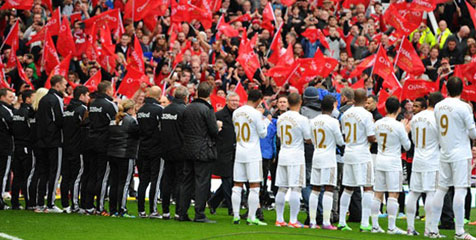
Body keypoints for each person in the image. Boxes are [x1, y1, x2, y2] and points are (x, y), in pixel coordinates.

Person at [431, 77, 476, 239]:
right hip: (460, 153)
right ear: (462, 89)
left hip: (444, 152)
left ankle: (432, 229)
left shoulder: (438, 106)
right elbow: (473, 133)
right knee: (460, 189)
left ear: (447, 90)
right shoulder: (464, 107)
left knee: (441, 189)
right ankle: (459, 231)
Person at [179, 82, 220, 223]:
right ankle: (199, 213)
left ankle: (182, 212)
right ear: (209, 94)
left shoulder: (188, 108)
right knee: (202, 182)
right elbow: (213, 131)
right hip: (203, 149)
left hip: (188, 148)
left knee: (187, 181)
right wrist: (218, 127)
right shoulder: (207, 109)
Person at [371, 97, 411, 234]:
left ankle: (375, 226)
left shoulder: (377, 123)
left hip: (380, 159)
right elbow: (407, 146)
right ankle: (391, 226)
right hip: (393, 162)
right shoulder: (399, 126)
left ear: (386, 108)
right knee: (393, 193)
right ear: (399, 109)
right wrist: (406, 131)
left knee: (378, 193)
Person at [406, 92, 444, 236]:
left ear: (428, 103)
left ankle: (410, 228)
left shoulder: (416, 117)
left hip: (418, 158)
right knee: (430, 193)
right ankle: (429, 229)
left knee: (414, 192)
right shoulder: (437, 118)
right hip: (432, 159)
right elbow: (442, 139)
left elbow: (414, 140)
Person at [338, 88, 376, 232]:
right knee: (367, 187)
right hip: (362, 153)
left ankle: (342, 221)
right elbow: (371, 136)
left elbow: (343, 133)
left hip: (348, 152)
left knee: (348, 188)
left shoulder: (345, 114)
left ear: (353, 99)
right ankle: (365, 223)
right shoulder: (367, 115)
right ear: (366, 100)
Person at [274, 93, 312, 228]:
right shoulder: (302, 119)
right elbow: (308, 138)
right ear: (300, 102)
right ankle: (293, 220)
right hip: (296, 155)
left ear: (288, 103)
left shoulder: (280, 118)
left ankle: (279, 219)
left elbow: (279, 135)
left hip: (283, 154)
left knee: (282, 188)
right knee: (296, 188)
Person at [231, 89, 268, 225]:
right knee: (254, 185)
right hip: (252, 153)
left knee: (237, 184)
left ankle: (236, 216)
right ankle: (251, 217)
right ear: (259, 100)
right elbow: (263, 133)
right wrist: (265, 121)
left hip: (239, 151)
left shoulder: (236, 112)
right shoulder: (256, 114)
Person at [309, 95, 345, 229]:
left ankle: (312, 221)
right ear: (333, 107)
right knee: (329, 189)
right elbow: (340, 141)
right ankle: (326, 222)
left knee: (315, 189)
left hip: (317, 155)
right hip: (329, 158)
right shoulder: (333, 122)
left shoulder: (313, 121)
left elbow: (311, 139)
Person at [84, 81, 118, 215]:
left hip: (91, 141)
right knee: (102, 176)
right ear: (108, 90)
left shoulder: (92, 104)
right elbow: (116, 123)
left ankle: (88, 205)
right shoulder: (110, 105)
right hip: (104, 143)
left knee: (92, 174)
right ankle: (100, 206)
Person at [35, 75, 67, 213]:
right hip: (53, 141)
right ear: (58, 85)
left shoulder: (43, 99)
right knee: (54, 172)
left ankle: (40, 203)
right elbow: (59, 120)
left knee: (43, 173)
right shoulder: (56, 99)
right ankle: (51, 204)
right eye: (64, 84)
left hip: (41, 141)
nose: (66, 87)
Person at [208, 92, 240, 216]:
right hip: (222, 152)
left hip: (236, 152)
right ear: (226, 101)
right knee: (227, 180)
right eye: (232, 100)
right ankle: (231, 208)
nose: (235, 103)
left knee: (230, 181)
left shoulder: (239, 115)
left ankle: (213, 202)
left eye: (236, 101)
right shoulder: (218, 115)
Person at [107, 99, 139, 218]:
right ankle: (122, 209)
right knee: (124, 183)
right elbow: (138, 135)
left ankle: (112, 209)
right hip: (125, 154)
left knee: (114, 182)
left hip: (112, 153)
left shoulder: (113, 120)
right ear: (131, 109)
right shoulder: (131, 121)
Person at [161, 86, 188, 220]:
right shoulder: (184, 110)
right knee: (180, 181)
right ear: (185, 97)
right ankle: (179, 211)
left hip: (166, 149)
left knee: (167, 180)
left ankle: (165, 211)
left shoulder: (166, 109)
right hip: (180, 150)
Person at [60, 86, 90, 213]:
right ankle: (75, 205)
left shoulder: (66, 109)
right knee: (77, 176)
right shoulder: (82, 109)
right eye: (87, 95)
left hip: (65, 146)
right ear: (82, 96)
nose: (88, 98)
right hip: (77, 147)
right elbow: (84, 128)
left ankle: (65, 205)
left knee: (65, 176)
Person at [136, 86, 163, 218]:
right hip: (156, 149)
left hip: (142, 148)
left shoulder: (140, 110)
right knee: (155, 180)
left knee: (143, 180)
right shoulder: (159, 110)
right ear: (159, 96)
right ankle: (153, 210)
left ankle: (141, 210)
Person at [10, 89, 35, 210]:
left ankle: (15, 202)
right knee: (26, 175)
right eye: (33, 97)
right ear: (28, 99)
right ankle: (29, 202)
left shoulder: (16, 113)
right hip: (26, 146)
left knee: (17, 176)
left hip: (16, 146)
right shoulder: (29, 113)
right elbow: (32, 130)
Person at [0, 88, 15, 210]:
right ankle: (1, 200)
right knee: (4, 174)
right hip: (5, 146)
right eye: (10, 97)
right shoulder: (5, 111)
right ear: (2, 97)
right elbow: (12, 128)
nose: (13, 99)